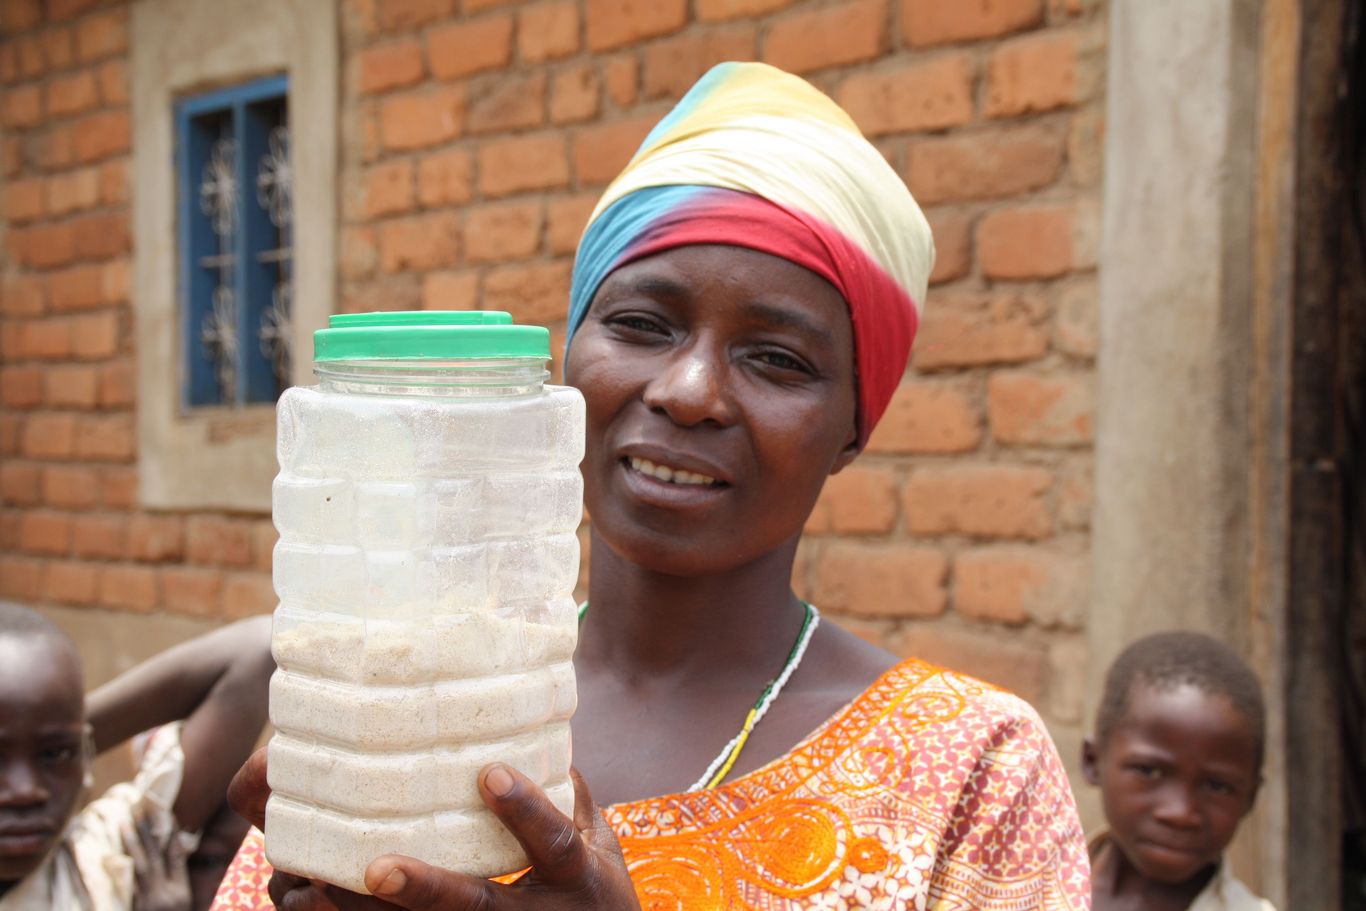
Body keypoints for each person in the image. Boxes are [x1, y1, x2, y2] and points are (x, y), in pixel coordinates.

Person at [210, 61, 1091, 911]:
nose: (689, 390)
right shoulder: (398, 708)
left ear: (855, 427)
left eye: (777, 359)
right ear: (566, 366)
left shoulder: (969, 771)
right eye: (640, 323)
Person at [0, 604, 274, 911]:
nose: (26, 791)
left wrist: (66, 731)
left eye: (56, 754)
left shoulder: (108, 862)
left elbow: (262, 647)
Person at [1084, 631, 1275, 911]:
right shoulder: (1019, 887)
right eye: (1149, 771)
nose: (1181, 814)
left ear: (1250, 798)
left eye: (1216, 786)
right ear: (1092, 761)